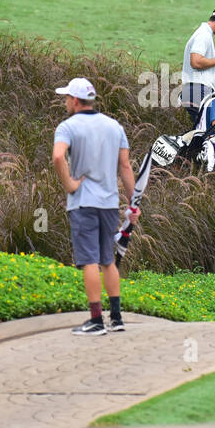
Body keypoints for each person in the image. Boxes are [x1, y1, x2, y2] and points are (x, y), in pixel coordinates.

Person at [52, 77, 139, 335]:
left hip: (83, 204)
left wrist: (69, 183)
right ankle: (116, 317)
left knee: (88, 260)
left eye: (68, 97)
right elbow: (125, 167)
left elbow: (58, 156)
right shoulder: (115, 127)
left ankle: (96, 321)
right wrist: (134, 204)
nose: (66, 101)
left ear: (76, 101)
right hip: (110, 204)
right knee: (107, 261)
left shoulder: (67, 126)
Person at [180, 7, 215, 126]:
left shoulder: (204, 33)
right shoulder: (204, 35)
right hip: (198, 90)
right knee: (211, 131)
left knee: (200, 134)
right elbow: (195, 62)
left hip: (195, 90)